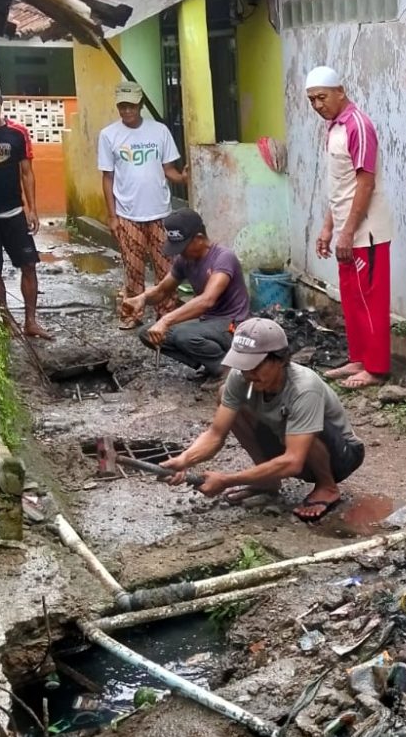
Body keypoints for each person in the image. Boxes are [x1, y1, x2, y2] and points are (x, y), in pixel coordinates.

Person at [160, 317, 365, 523]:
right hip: (287, 442)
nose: (248, 373)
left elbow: (293, 462)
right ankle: (268, 482)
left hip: (340, 457)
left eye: (255, 366)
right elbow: (215, 434)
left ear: (281, 360)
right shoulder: (241, 377)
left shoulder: (304, 388)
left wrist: (227, 480)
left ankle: (327, 487)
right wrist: (184, 460)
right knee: (226, 395)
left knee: (301, 421)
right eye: (243, 365)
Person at [306, 65, 392, 388]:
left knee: (371, 300)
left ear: (340, 91)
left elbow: (365, 183)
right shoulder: (334, 128)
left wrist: (348, 231)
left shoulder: (358, 125)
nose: (317, 105)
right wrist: (328, 227)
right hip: (346, 229)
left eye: (322, 97)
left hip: (366, 232)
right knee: (352, 298)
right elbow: (340, 185)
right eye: (312, 100)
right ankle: (358, 358)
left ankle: (376, 368)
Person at [97, 81, 188, 329]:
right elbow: (107, 177)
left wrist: (183, 178)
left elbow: (168, 169)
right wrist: (112, 216)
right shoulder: (109, 135)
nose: (127, 111)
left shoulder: (159, 131)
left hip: (161, 213)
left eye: (132, 106)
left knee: (166, 268)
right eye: (122, 106)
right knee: (133, 269)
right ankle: (131, 315)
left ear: (141, 105)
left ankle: (166, 316)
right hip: (128, 215)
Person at [120, 210, 251, 380]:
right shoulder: (184, 260)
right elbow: (162, 291)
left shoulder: (223, 258)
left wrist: (166, 320)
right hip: (208, 322)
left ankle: (226, 371)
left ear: (199, 239)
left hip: (233, 324)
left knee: (184, 336)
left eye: (183, 247)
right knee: (147, 333)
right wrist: (142, 299)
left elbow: (207, 300)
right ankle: (208, 364)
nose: (180, 253)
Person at [0, 89, 52, 339]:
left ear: (0, 104)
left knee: (29, 265)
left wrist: (32, 209)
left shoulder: (17, 133)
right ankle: (6, 322)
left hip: (14, 212)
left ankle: (31, 322)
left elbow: (27, 172)